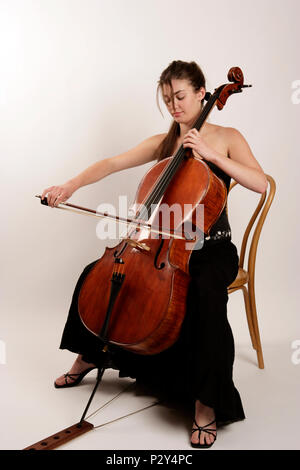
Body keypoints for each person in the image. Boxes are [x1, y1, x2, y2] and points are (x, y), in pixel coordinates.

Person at [41, 60, 267, 448]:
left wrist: (211, 155)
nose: (174, 106)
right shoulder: (164, 143)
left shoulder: (227, 136)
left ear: (201, 93)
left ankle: (206, 403)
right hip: (164, 244)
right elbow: (112, 163)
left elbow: (260, 182)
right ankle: (91, 355)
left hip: (211, 248)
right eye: (167, 99)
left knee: (207, 297)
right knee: (100, 273)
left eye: (180, 96)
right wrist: (71, 184)